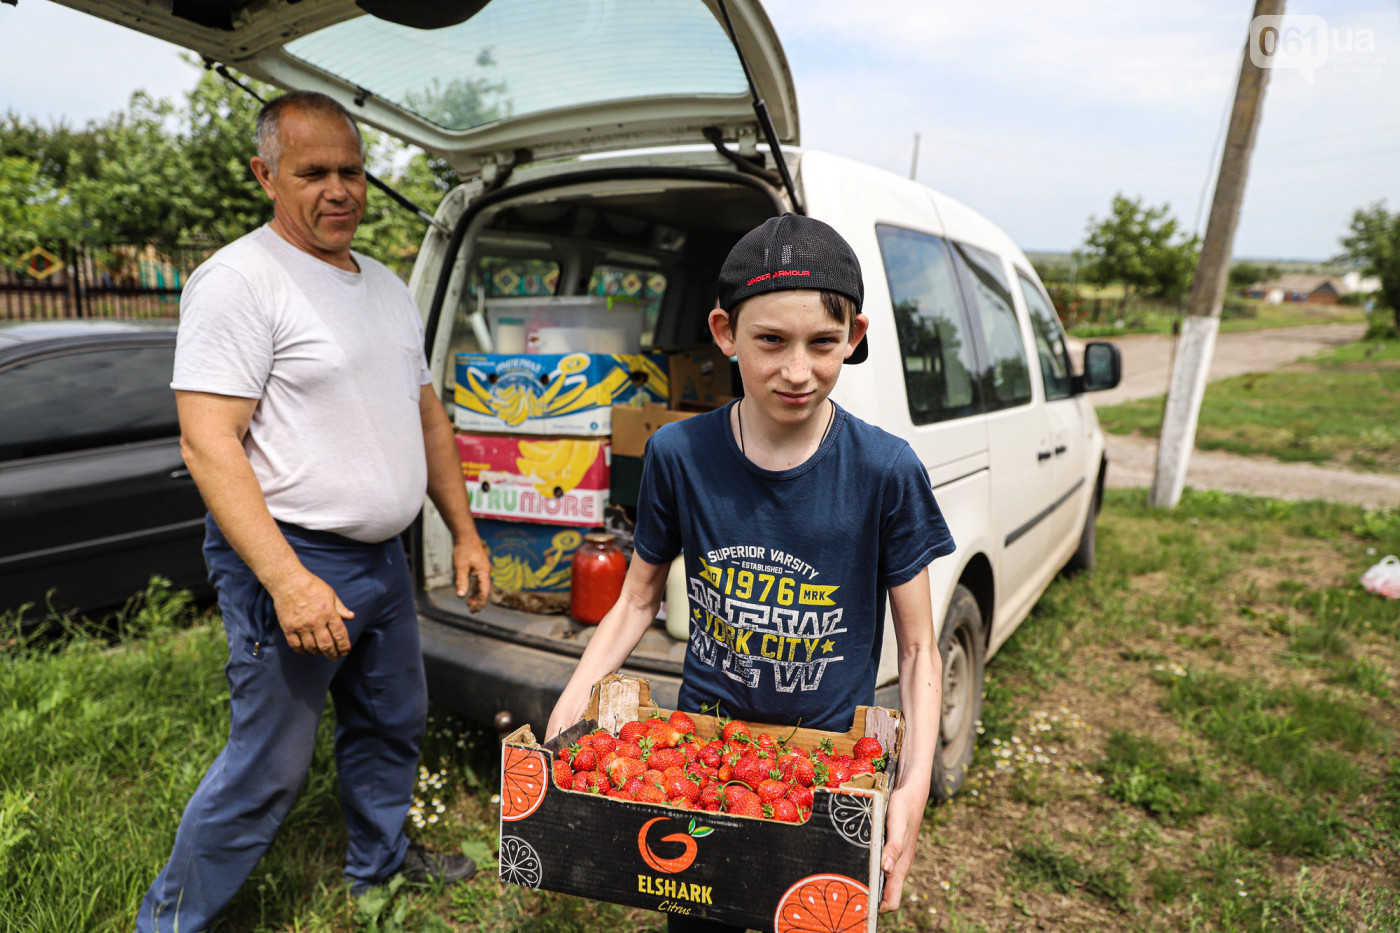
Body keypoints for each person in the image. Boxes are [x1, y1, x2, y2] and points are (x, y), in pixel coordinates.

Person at [136, 90, 491, 931]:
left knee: (393, 722)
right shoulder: (239, 280)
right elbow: (208, 443)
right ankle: (169, 920)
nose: (340, 190)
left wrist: (464, 530)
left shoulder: (383, 286)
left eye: (352, 170)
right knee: (269, 766)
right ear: (266, 174)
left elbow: (426, 416)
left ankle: (378, 871)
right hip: (293, 556)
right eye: (314, 172)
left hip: (383, 560)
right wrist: (287, 581)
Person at [546, 214, 956, 927]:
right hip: (699, 760)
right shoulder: (679, 453)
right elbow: (638, 599)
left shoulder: (885, 470)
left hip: (828, 771)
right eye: (770, 341)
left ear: (854, 338)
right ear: (725, 333)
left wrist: (914, 782)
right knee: (697, 911)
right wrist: (573, 698)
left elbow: (919, 646)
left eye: (823, 343)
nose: (798, 371)